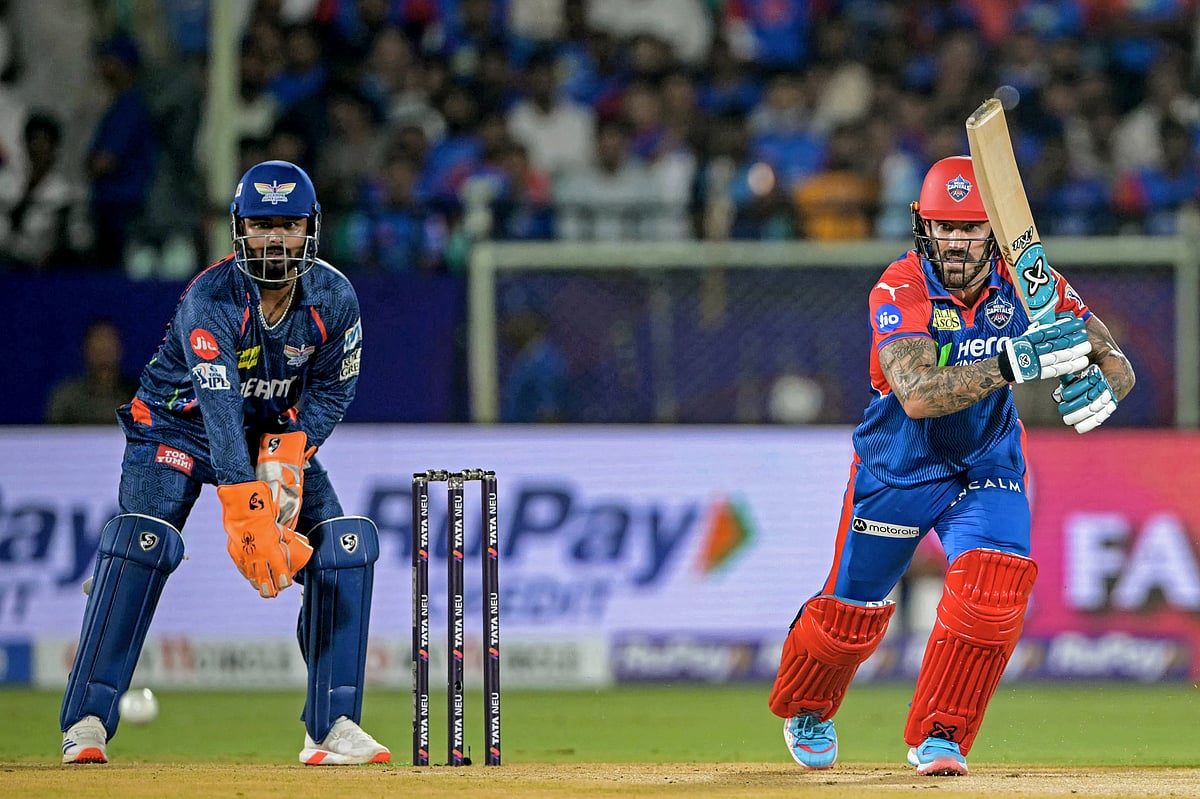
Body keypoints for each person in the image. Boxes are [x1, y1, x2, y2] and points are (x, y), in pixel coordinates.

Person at [767, 155, 1135, 776]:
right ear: (923, 228)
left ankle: (941, 734)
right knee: (849, 616)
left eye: (969, 228)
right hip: (899, 468)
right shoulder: (898, 287)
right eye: (944, 227)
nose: (957, 242)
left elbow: (1112, 356)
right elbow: (916, 393)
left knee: (993, 594)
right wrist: (1015, 363)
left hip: (985, 461)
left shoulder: (1028, 281)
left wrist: (1106, 388)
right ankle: (808, 706)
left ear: (994, 231)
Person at [59, 160, 388, 766]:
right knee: (141, 543)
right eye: (261, 226)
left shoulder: (334, 297)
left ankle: (331, 728)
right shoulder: (210, 298)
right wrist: (247, 515)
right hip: (178, 425)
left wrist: (290, 452)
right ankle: (85, 724)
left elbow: (333, 391)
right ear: (239, 230)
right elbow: (218, 406)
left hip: (271, 433)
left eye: (287, 225)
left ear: (310, 230)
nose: (274, 240)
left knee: (344, 548)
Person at [45, 317, 138, 424]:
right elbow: (54, 437)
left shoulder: (137, 396)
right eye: (98, 342)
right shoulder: (67, 398)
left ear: (119, 348)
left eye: (108, 342)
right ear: (86, 349)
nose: (103, 349)